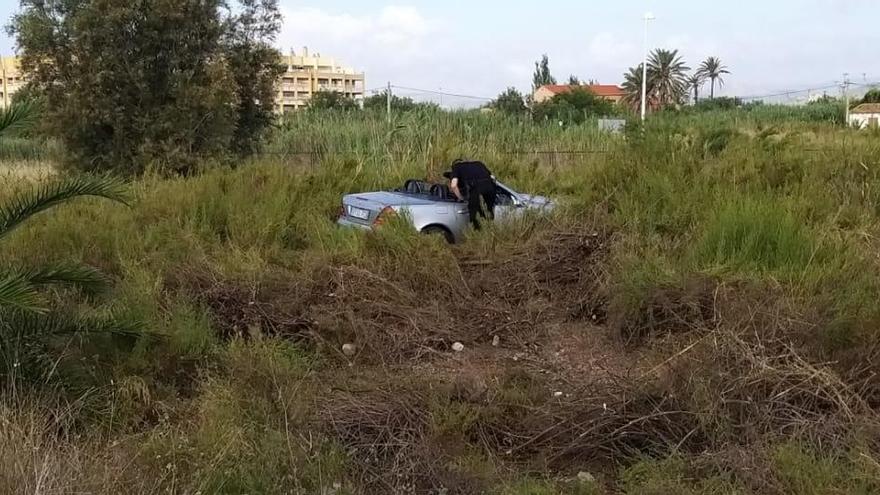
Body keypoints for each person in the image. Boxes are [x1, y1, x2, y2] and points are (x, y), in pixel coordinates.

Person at [444, 159, 497, 230]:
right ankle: (489, 231)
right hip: (490, 189)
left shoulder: (457, 167)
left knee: (474, 215)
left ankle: (478, 233)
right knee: (489, 212)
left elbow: (453, 185)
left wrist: (461, 197)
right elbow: (493, 178)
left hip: (476, 189)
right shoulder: (479, 163)